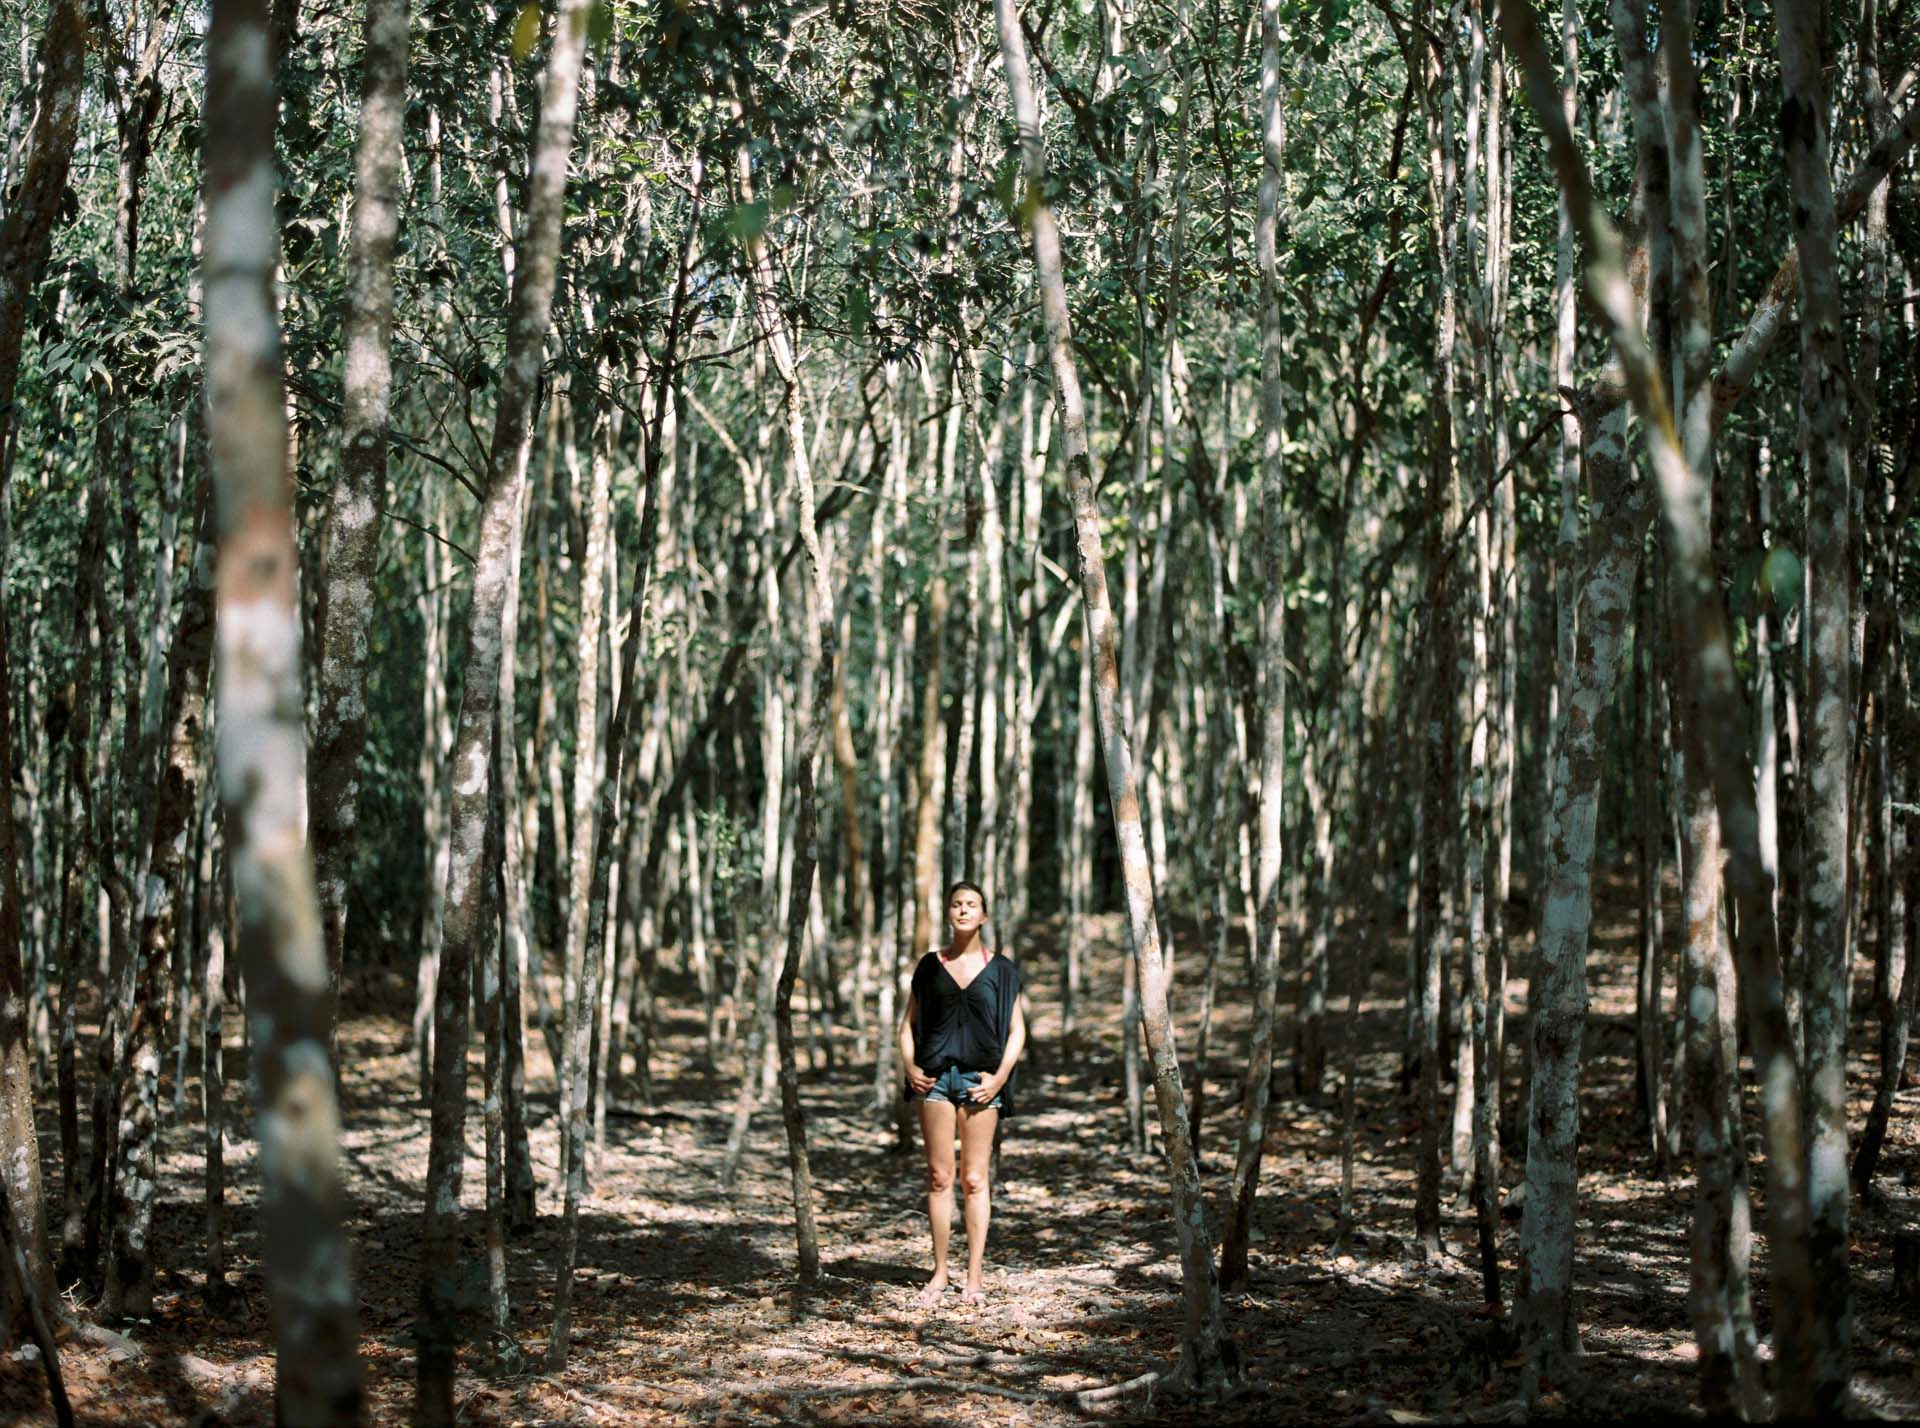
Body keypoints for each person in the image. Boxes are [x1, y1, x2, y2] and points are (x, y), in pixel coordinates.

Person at [899, 880, 1026, 1305]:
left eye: (972, 905)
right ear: (949, 913)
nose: (964, 910)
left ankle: (973, 1278)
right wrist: (911, 1066)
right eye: (957, 904)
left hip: (980, 1082)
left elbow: (1016, 1031)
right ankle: (939, 1273)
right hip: (934, 1080)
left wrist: (1000, 1078)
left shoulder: (1003, 969)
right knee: (939, 1178)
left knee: (974, 1179)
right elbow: (906, 1027)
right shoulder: (929, 966)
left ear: (984, 915)